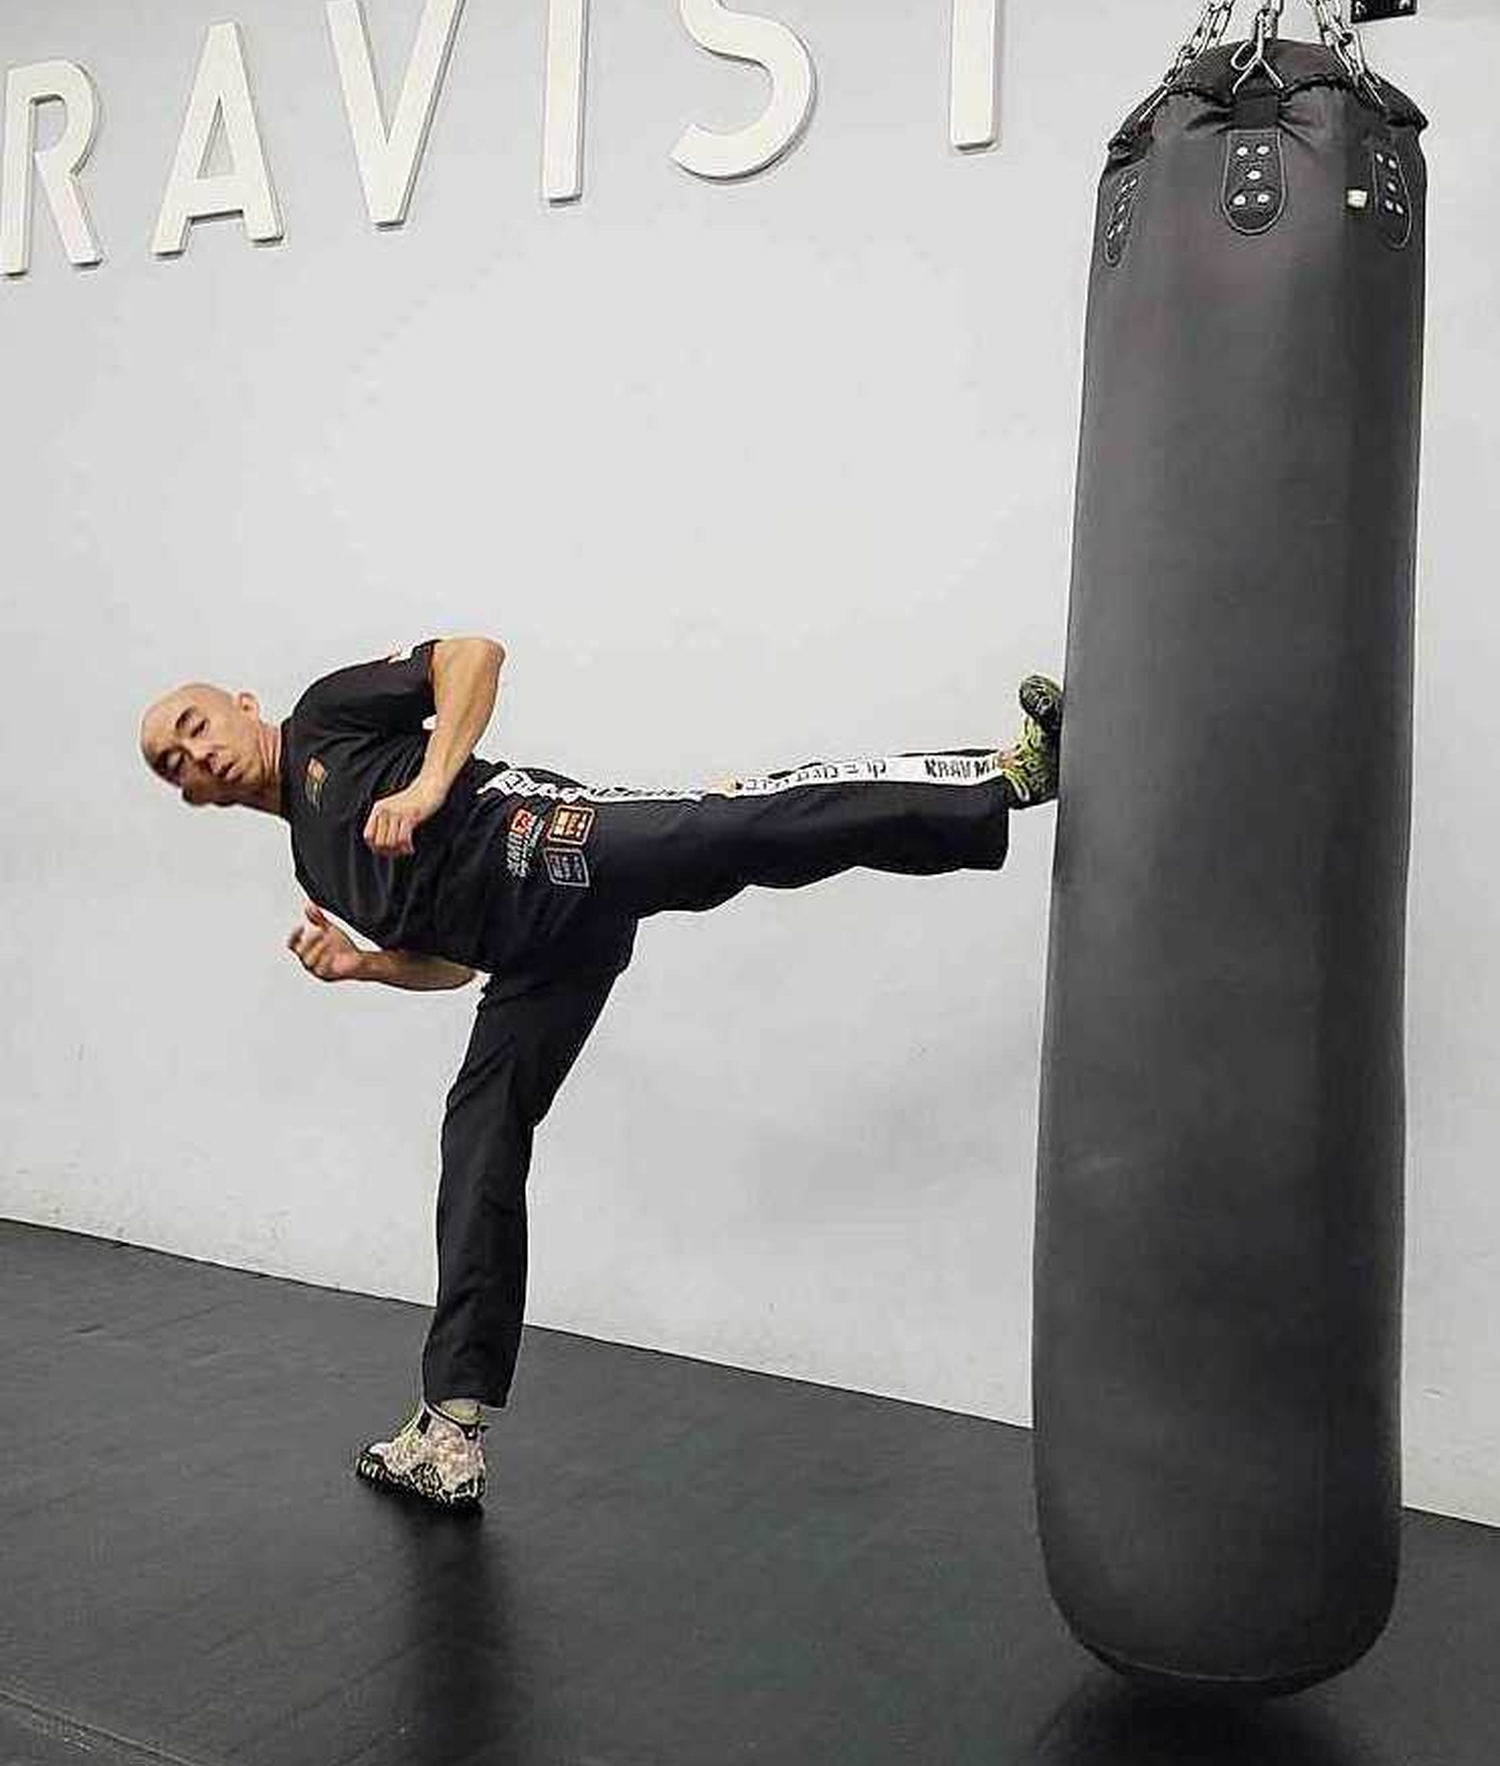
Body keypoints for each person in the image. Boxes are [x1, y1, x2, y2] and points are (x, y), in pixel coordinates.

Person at [138, 636, 1063, 1513]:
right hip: (534, 959)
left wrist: (427, 785)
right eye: (172, 763)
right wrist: (363, 965)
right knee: (479, 1136)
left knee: (738, 825)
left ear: (240, 706)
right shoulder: (316, 862)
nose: (195, 753)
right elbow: (449, 964)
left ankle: (1004, 776)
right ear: (188, 801)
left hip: (546, 839)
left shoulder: (324, 717)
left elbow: (472, 655)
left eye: (194, 724)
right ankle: (450, 1429)